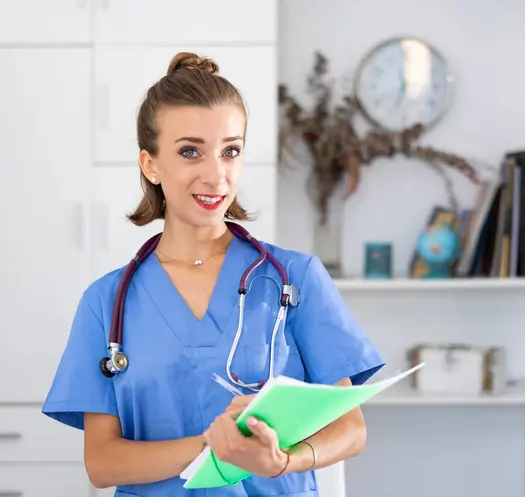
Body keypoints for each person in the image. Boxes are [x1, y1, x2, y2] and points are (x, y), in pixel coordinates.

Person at [41, 51, 385, 497]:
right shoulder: (106, 302)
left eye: (231, 151)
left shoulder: (295, 279)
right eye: (190, 152)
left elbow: (350, 428)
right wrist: (215, 446)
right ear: (150, 164)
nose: (216, 175)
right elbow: (103, 463)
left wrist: (283, 460)